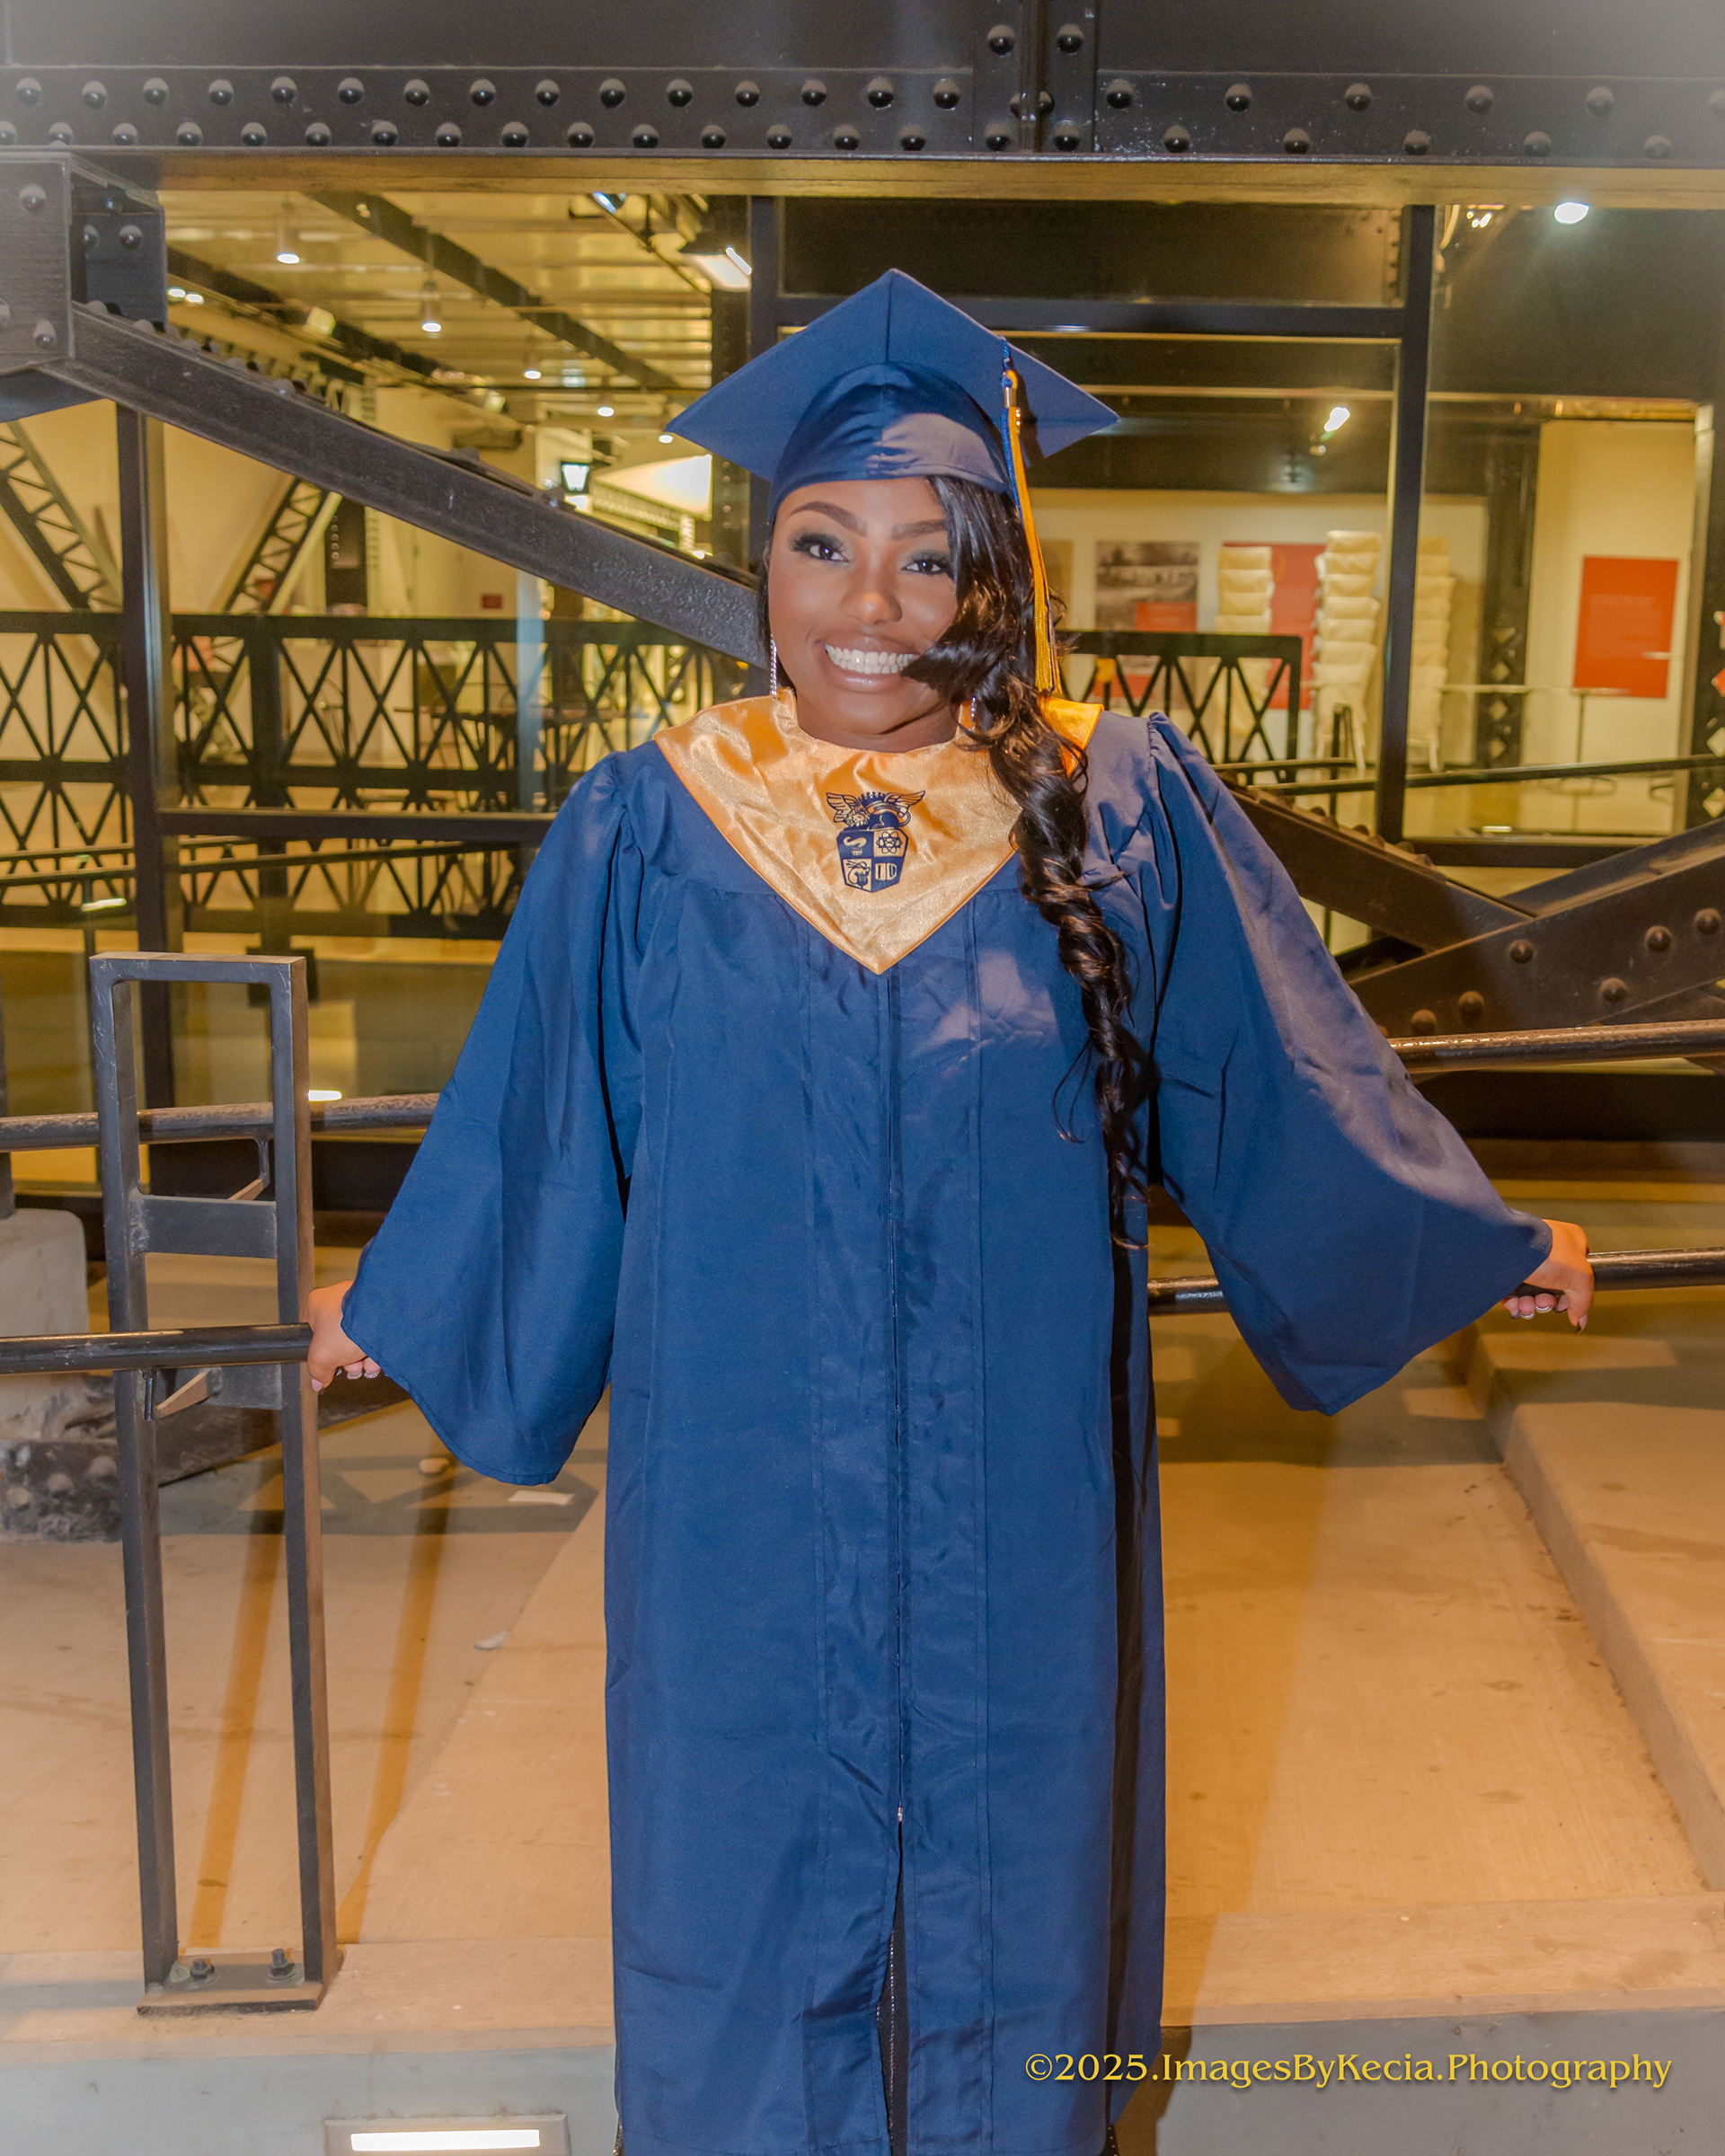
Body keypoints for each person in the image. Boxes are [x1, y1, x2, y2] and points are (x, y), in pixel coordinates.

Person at [307, 271, 1591, 2156]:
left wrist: (1474, 1239)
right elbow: (545, 1109)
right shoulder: (654, 820)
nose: (872, 607)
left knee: (1022, 1858)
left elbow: (1273, 1067)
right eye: (823, 545)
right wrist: (407, 1297)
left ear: (1000, 579)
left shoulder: (1114, 799)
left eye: (931, 559)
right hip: (740, 1494)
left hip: (1019, 1487)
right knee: (739, 1858)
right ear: (762, 563)